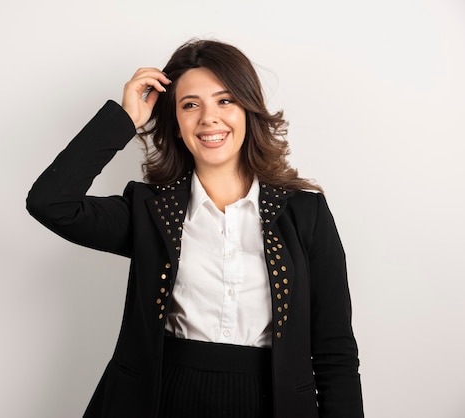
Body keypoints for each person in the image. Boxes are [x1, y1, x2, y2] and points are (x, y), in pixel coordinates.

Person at [26, 39, 364, 418]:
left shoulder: (306, 213)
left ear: (248, 111)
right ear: (175, 125)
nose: (209, 118)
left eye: (225, 100)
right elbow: (50, 203)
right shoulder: (149, 211)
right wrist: (124, 119)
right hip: (160, 402)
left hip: (273, 404)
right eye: (190, 105)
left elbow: (335, 352)